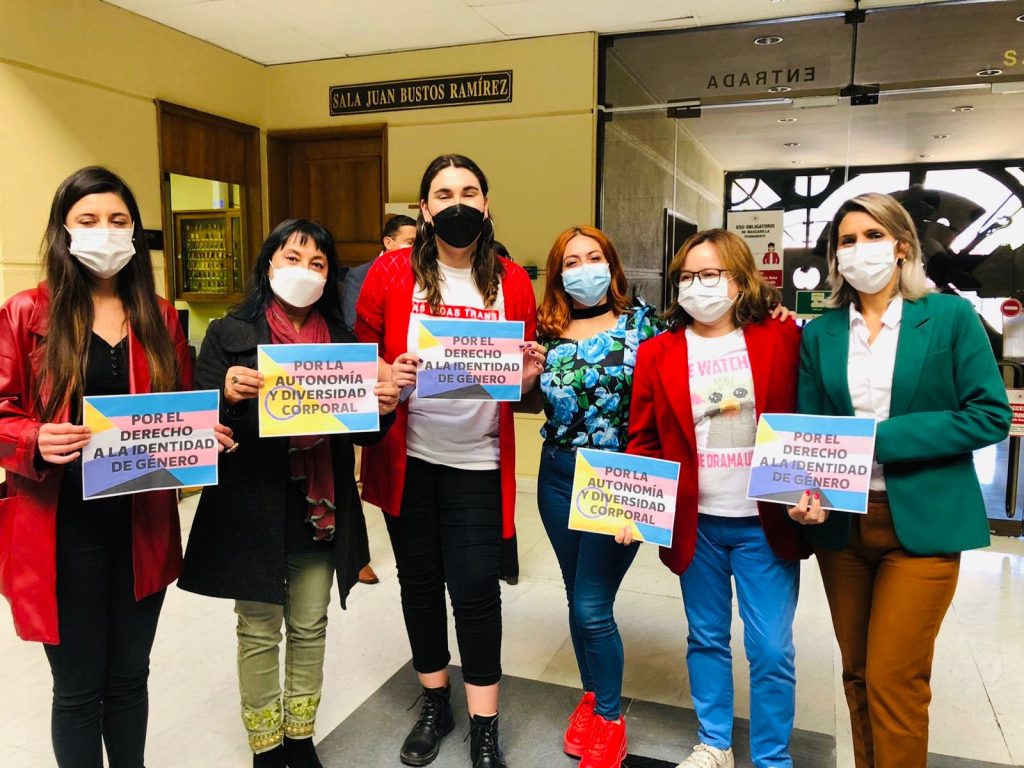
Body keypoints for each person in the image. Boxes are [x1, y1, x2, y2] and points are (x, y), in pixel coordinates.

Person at [0, 166, 232, 768]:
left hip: (140, 527)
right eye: (89, 220)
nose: (105, 232)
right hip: (59, 530)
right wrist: (32, 437)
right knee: (77, 691)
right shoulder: (27, 312)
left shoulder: (158, 314)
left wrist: (201, 435)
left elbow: (177, 405)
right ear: (64, 231)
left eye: (118, 220)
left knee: (130, 680)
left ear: (135, 233)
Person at [790, 192, 1011, 768]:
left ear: (901, 246)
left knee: (895, 678)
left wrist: (879, 439)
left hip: (923, 524)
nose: (858, 250)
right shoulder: (820, 334)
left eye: (871, 236)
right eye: (845, 240)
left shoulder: (950, 318)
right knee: (859, 673)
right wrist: (804, 493)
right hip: (843, 526)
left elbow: (988, 414)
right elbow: (812, 431)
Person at [178, 218, 399, 768]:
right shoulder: (229, 334)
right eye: (292, 258)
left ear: (329, 277)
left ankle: (300, 737)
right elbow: (198, 430)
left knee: (310, 622)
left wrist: (385, 409)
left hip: (318, 506)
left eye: (318, 264)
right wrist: (224, 397)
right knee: (257, 628)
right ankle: (265, 746)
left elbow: (364, 432)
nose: (304, 272)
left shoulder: (347, 345)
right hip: (251, 503)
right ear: (268, 264)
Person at [355, 154, 542, 768]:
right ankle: (436, 702)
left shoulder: (512, 280)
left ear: (486, 204)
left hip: (480, 462)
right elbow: (360, 356)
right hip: (408, 457)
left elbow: (520, 382)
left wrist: (528, 375)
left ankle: (485, 723)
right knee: (418, 586)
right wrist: (390, 373)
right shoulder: (389, 273)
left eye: (468, 191)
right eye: (442, 192)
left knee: (475, 591)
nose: (456, 201)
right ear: (425, 208)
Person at [626, 229, 808, 768]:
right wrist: (638, 507)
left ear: (740, 278)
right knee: (706, 638)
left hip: (764, 522)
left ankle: (773, 756)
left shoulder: (781, 339)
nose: (698, 285)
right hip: (696, 523)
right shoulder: (659, 352)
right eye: (687, 276)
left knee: (771, 649)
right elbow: (644, 438)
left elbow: (807, 419)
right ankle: (714, 743)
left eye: (711, 274)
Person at [531, 225, 660, 768]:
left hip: (616, 479)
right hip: (557, 474)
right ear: (559, 274)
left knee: (591, 607)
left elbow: (664, 400)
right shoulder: (546, 330)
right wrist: (524, 375)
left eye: (594, 257)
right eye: (570, 260)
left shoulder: (644, 323)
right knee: (573, 594)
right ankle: (591, 695)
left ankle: (609, 718)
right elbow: (524, 400)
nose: (583, 268)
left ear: (611, 263)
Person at [341, 213, 416, 586]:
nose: (413, 249)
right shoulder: (364, 275)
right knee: (351, 472)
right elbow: (359, 335)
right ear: (388, 242)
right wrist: (387, 370)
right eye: (407, 241)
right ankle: (358, 558)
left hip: (409, 395)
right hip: (370, 385)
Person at [341, 214, 417, 331]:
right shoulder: (359, 276)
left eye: (418, 243)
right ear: (388, 243)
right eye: (410, 242)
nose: (416, 248)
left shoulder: (419, 274)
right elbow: (353, 323)